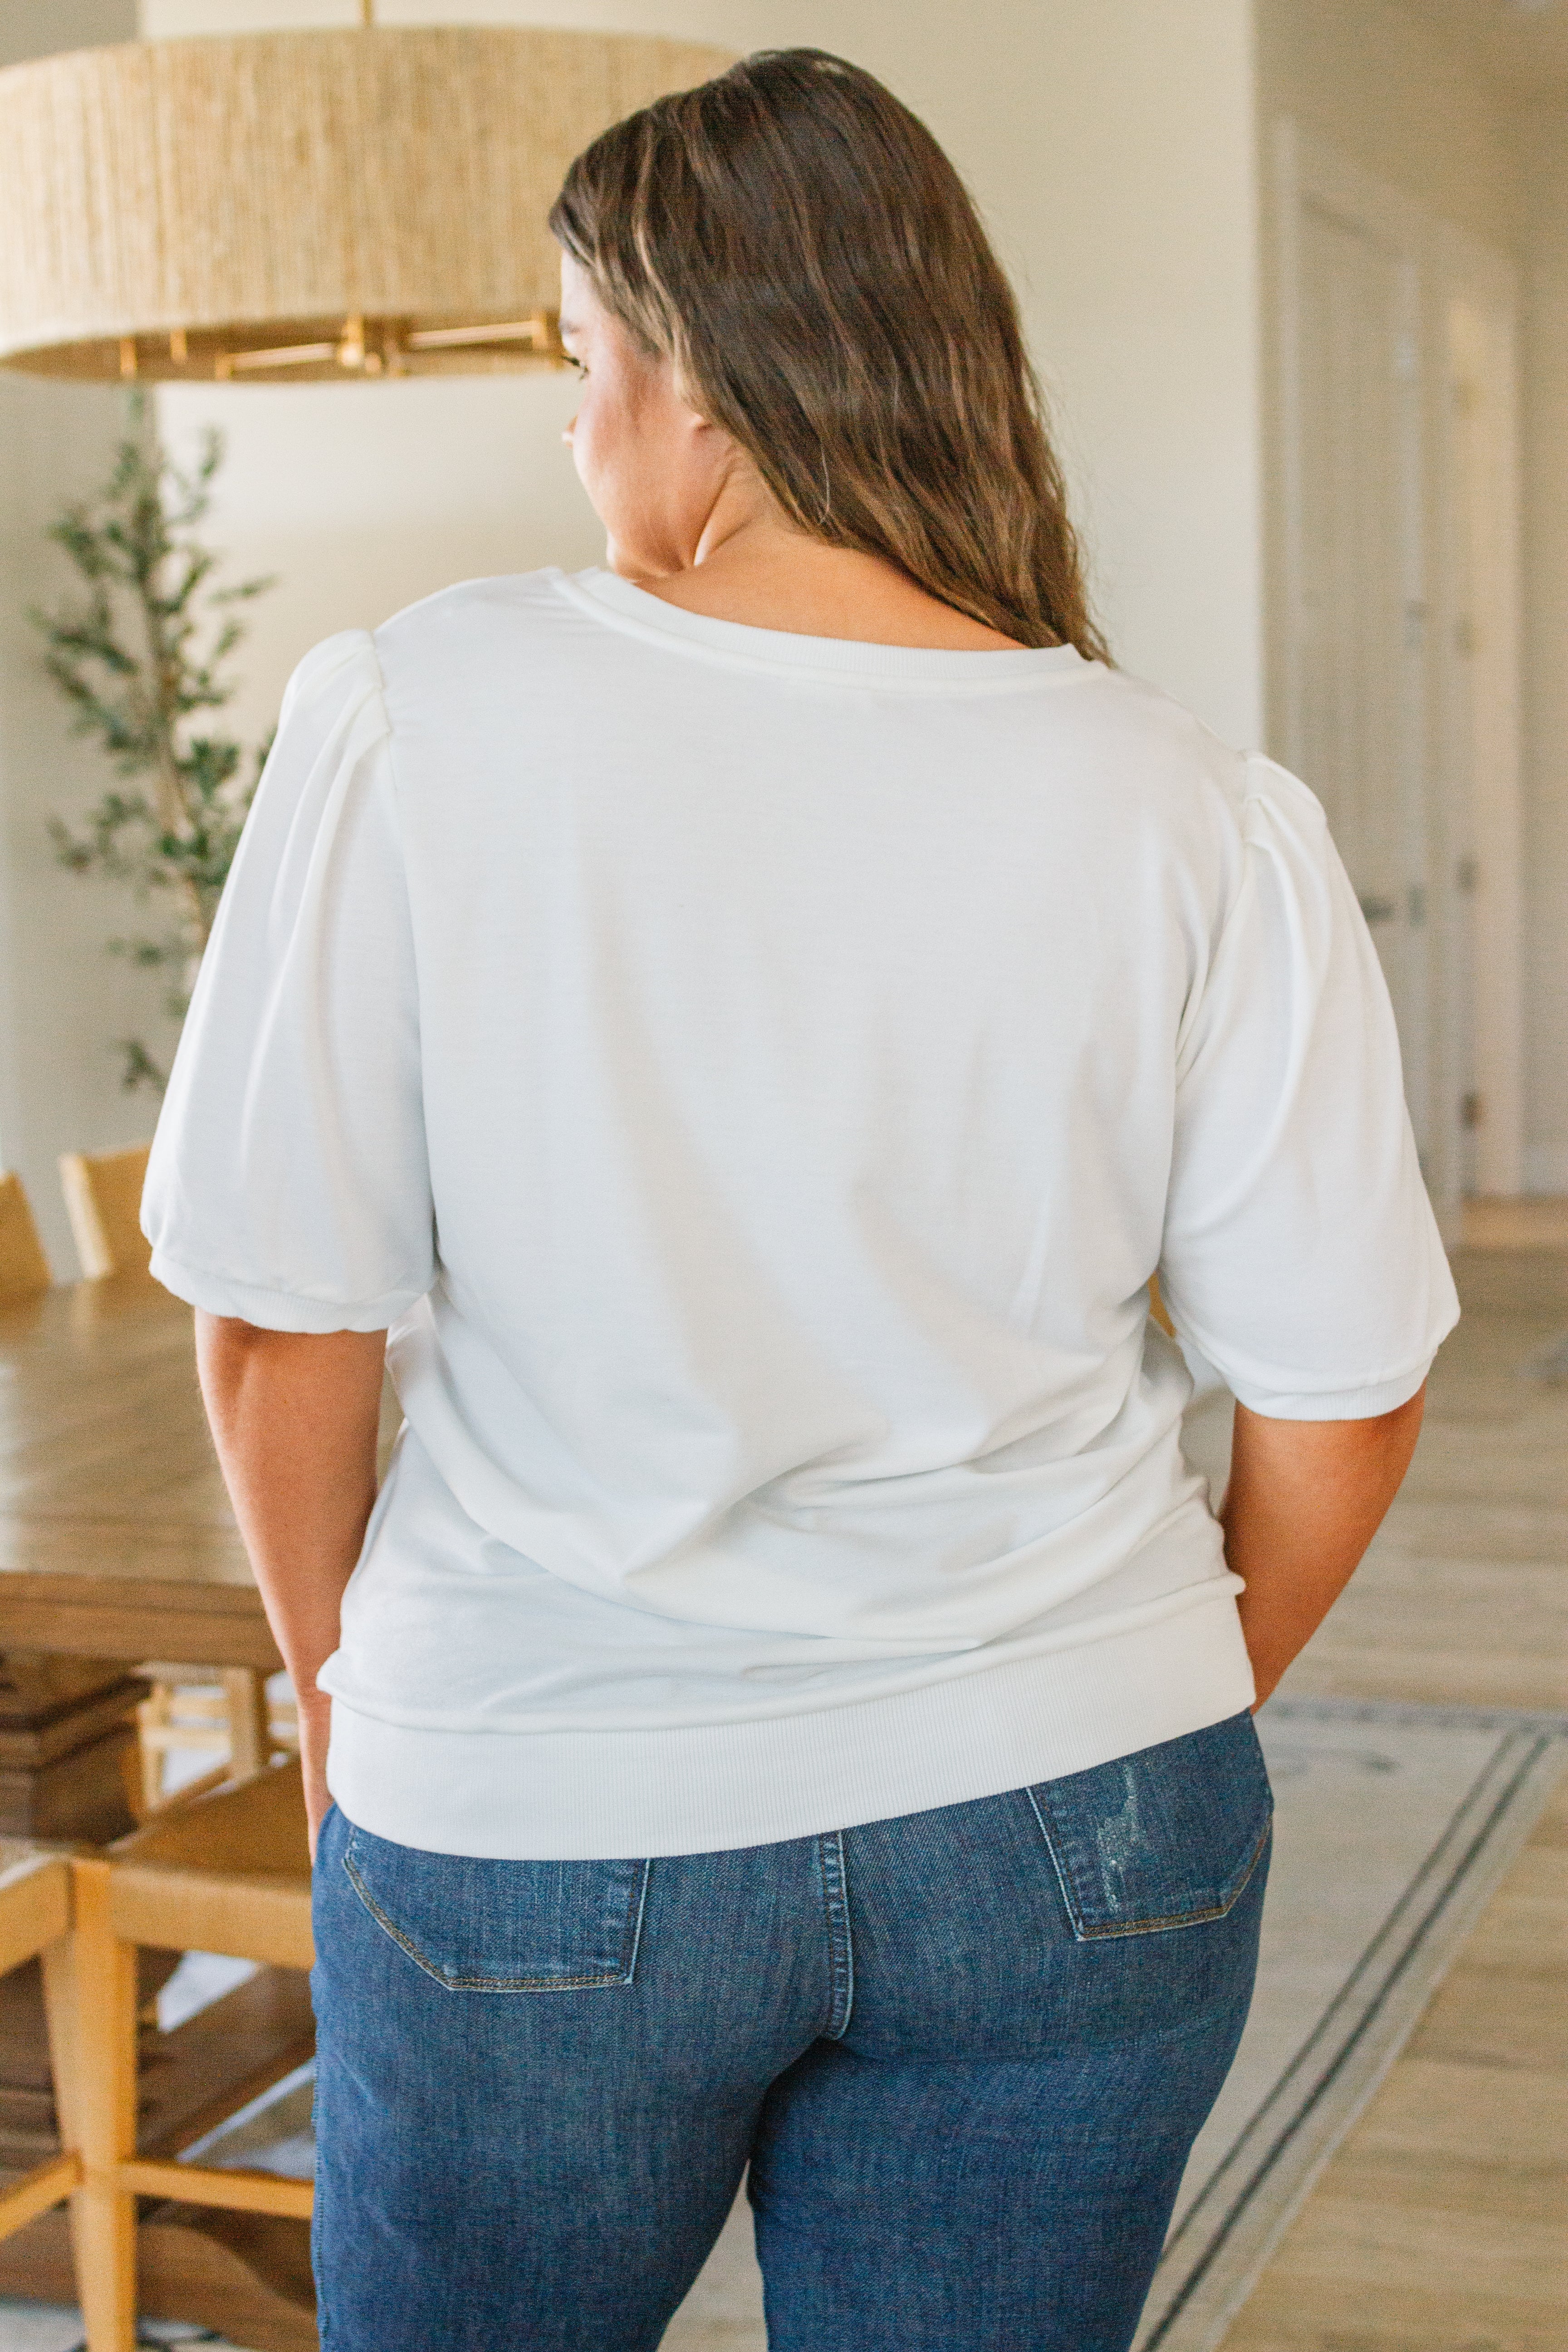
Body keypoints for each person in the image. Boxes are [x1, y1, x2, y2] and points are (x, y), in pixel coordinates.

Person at [143, 48, 1457, 2352]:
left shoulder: (418, 711)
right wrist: (1134, 1698)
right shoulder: (1190, 801)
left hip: (542, 1804)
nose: (568, 434)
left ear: (696, 384)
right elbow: (1342, 1386)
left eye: (576, 365)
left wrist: (349, 1706)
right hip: (1080, 1818)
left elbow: (280, 1318)